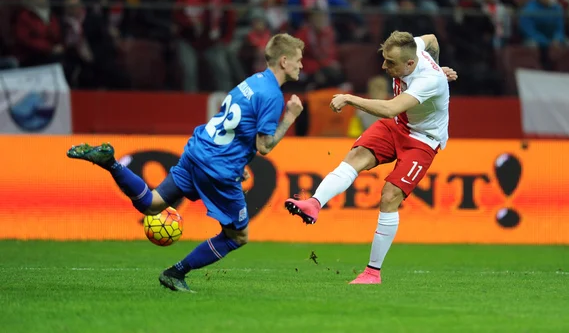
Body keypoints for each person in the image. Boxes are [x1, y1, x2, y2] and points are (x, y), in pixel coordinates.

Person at [67, 33, 305, 292]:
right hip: (217, 168)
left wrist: (238, 164)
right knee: (237, 236)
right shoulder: (272, 95)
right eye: (299, 60)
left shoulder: (252, 82)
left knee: (152, 204)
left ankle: (111, 163)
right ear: (284, 61)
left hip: (198, 151)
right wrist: (290, 117)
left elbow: (235, 128)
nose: (302, 65)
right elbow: (264, 146)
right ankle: (175, 272)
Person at [285, 32, 455, 284]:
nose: (384, 66)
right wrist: (437, 63)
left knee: (389, 196)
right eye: (384, 59)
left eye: (391, 63)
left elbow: (391, 108)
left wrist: (350, 98)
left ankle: (372, 272)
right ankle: (314, 203)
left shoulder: (429, 80)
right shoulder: (415, 49)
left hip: (423, 139)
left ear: (410, 64)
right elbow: (431, 39)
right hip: (398, 126)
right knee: (356, 157)